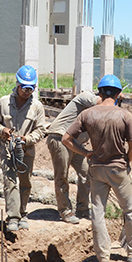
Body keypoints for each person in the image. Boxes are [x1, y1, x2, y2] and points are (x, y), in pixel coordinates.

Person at [62, 75, 132, 262]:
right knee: (130, 210)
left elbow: (66, 139)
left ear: (99, 92)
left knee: (98, 212)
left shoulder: (87, 114)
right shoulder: (124, 116)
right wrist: (126, 161)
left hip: (97, 168)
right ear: (118, 94)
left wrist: (86, 153)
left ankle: (103, 258)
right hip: (118, 169)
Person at [0, 65, 46, 231]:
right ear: (17, 84)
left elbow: (41, 130)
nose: (27, 91)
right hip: (7, 150)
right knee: (10, 181)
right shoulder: (4, 102)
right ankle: (13, 217)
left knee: (25, 182)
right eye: (24, 87)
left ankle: (22, 213)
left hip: (26, 151)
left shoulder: (37, 107)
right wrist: (2, 130)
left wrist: (27, 139)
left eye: (31, 88)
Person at [45, 91, 99, 224]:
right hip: (59, 138)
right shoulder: (86, 97)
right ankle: (65, 210)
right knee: (62, 176)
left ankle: (82, 208)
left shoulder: (99, 114)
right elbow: (100, 103)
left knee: (87, 174)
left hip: (75, 143)